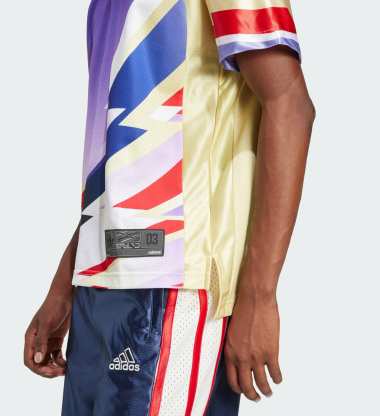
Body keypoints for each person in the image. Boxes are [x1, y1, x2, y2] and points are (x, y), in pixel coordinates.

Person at [24, 0, 314, 414]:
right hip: (102, 278)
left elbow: (289, 102)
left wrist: (259, 294)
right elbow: (119, 156)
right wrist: (66, 282)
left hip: (179, 281)